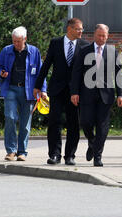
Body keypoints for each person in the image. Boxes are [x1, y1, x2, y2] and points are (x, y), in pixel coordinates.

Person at [33, 18, 89, 166]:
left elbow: (88, 70)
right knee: (54, 122)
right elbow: (46, 65)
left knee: (74, 124)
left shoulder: (84, 45)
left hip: (75, 92)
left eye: (81, 29)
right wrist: (38, 86)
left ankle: (70, 155)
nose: (81, 31)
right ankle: (54, 155)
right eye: (78, 29)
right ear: (69, 29)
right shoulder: (56, 43)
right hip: (57, 90)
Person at [70, 24, 122, 167]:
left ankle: (98, 156)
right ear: (94, 35)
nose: (101, 38)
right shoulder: (84, 51)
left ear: (107, 36)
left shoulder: (112, 52)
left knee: (103, 127)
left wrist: (121, 95)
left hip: (105, 95)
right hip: (86, 94)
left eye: (104, 36)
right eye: (99, 35)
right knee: (85, 122)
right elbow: (76, 73)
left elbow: (119, 75)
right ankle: (92, 142)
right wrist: (74, 92)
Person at [0, 26, 46, 162]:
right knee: (10, 117)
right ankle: (11, 151)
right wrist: (0, 73)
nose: (16, 44)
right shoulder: (6, 51)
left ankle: (22, 152)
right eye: (14, 41)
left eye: (19, 41)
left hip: (28, 91)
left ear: (25, 39)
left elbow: (41, 73)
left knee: (25, 123)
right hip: (10, 88)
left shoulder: (34, 51)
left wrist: (43, 90)